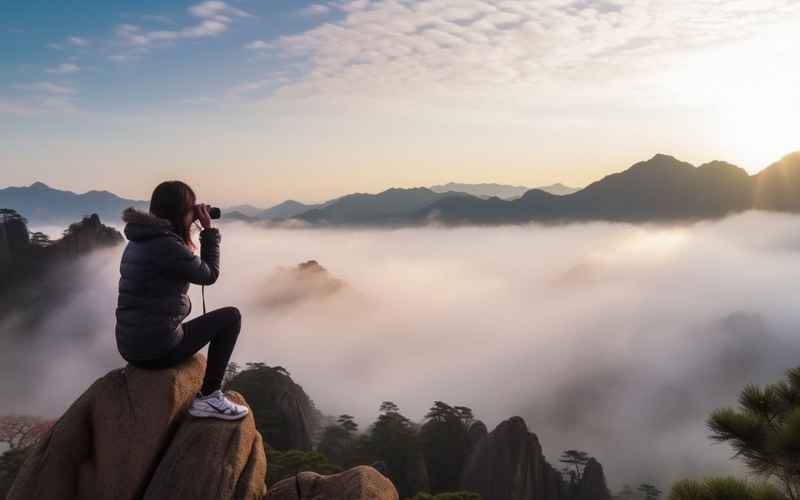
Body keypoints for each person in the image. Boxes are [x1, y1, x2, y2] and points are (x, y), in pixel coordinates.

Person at [115, 180, 248, 420]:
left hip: (130, 346)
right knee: (231, 317)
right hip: (156, 350)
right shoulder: (166, 244)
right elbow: (209, 274)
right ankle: (210, 397)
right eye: (191, 209)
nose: (195, 213)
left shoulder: (140, 239)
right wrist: (208, 231)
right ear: (180, 213)